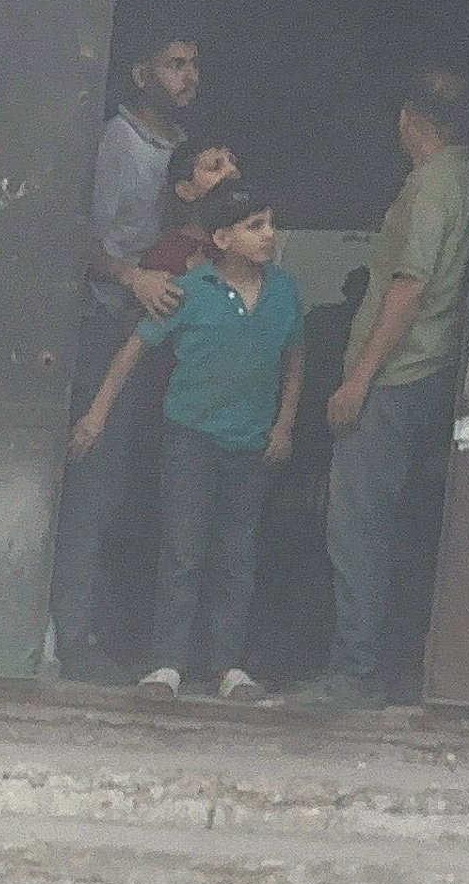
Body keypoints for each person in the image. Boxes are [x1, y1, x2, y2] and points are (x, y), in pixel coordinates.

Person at [71, 184, 305, 702]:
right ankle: (167, 664)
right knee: (183, 550)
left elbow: (294, 360)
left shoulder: (285, 290)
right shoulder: (190, 289)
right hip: (190, 440)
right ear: (222, 237)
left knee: (236, 555)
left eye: (269, 223)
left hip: (250, 444)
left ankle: (227, 668)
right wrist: (97, 413)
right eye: (254, 226)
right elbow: (134, 348)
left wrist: (284, 425)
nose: (268, 234)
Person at [294, 68, 469, 709]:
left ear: (408, 118)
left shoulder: (430, 184)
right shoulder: (466, 177)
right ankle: (393, 660)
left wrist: (358, 379)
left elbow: (410, 285)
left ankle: (357, 669)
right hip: (430, 371)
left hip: (399, 375)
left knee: (358, 524)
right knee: (404, 521)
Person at [48, 25, 200, 682]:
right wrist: (132, 278)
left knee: (120, 491)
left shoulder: (177, 151)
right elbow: (76, 240)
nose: (189, 76)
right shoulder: (120, 144)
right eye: (174, 63)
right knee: (93, 487)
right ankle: (70, 639)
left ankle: (97, 631)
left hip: (147, 334)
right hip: (103, 328)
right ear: (141, 75)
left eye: (194, 64)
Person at [140, 135, 241, 277]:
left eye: (232, 161)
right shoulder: (165, 258)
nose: (233, 170)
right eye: (215, 167)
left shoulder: (252, 238)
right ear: (185, 190)